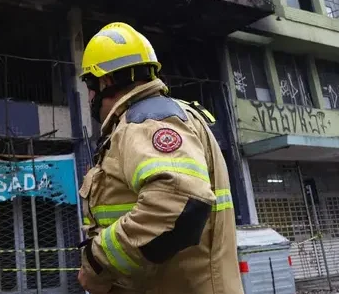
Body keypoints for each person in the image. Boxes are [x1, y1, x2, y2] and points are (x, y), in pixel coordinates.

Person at [76, 22, 241, 294]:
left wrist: (97, 262)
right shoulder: (158, 118)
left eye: (89, 86)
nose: (89, 97)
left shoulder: (146, 122)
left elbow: (178, 203)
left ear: (105, 82)